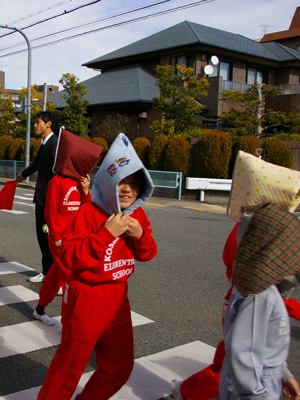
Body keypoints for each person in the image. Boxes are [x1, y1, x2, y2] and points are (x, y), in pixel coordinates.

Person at [172, 150, 300, 400]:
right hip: (246, 300)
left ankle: (186, 390)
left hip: (240, 297)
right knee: (232, 362)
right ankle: (186, 391)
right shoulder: (256, 239)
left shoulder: (246, 230)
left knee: (229, 359)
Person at [37, 133, 157, 400]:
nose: (127, 189)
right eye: (121, 182)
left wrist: (141, 236)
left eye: (134, 183)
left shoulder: (136, 213)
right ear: (108, 181)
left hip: (118, 298)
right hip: (86, 297)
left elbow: (148, 254)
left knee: (120, 366)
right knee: (70, 367)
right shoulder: (89, 212)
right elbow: (68, 256)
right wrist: (106, 234)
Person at [220, 203, 300, 400]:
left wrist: (283, 374)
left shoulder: (257, 287)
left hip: (263, 374)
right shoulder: (260, 295)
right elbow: (240, 351)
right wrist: (255, 395)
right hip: (257, 382)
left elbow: (264, 345)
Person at [33, 127, 103, 326]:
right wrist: (55, 236)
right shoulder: (57, 181)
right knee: (71, 275)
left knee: (56, 275)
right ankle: (75, 317)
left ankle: (40, 309)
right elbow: (50, 211)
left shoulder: (78, 182)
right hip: (60, 238)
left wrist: (86, 191)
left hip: (74, 237)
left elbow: (86, 210)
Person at [16, 111, 58, 283]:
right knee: (43, 236)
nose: (35, 125)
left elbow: (58, 172)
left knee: (51, 237)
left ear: (49, 124)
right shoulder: (45, 144)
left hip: (50, 199)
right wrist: (23, 174)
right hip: (42, 197)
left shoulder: (55, 144)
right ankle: (47, 272)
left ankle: (56, 276)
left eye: (38, 122)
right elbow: (37, 164)